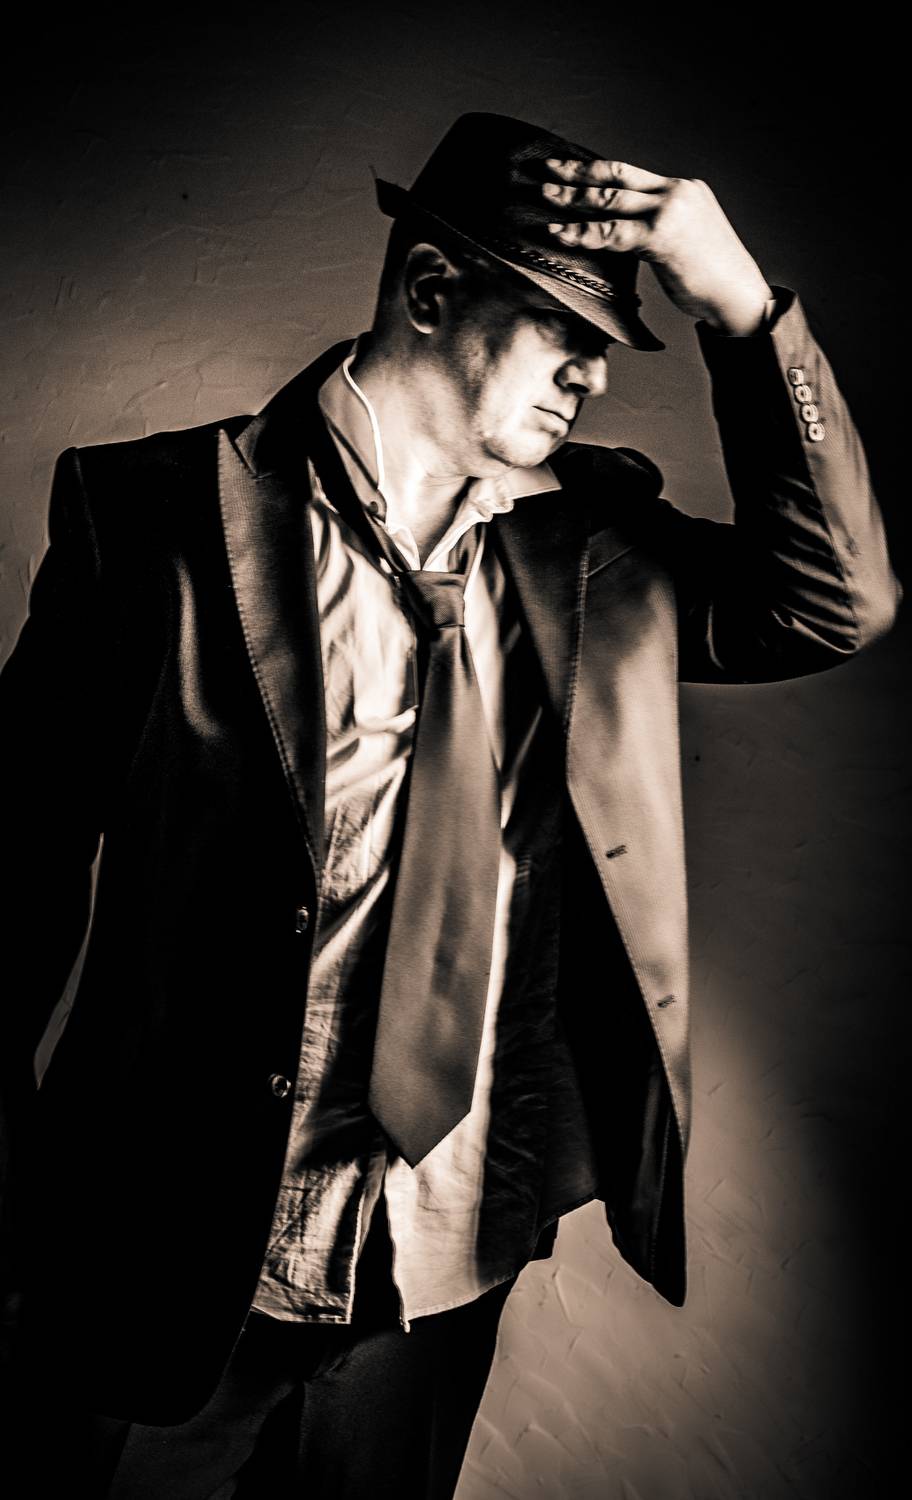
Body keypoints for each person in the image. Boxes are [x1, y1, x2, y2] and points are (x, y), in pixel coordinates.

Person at [0, 110, 900, 1498]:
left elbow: (834, 601)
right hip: (158, 1273)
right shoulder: (152, 524)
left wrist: (743, 308)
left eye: (614, 342)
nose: (596, 373)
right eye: (565, 330)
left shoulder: (593, 556)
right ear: (431, 289)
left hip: (435, 1281)